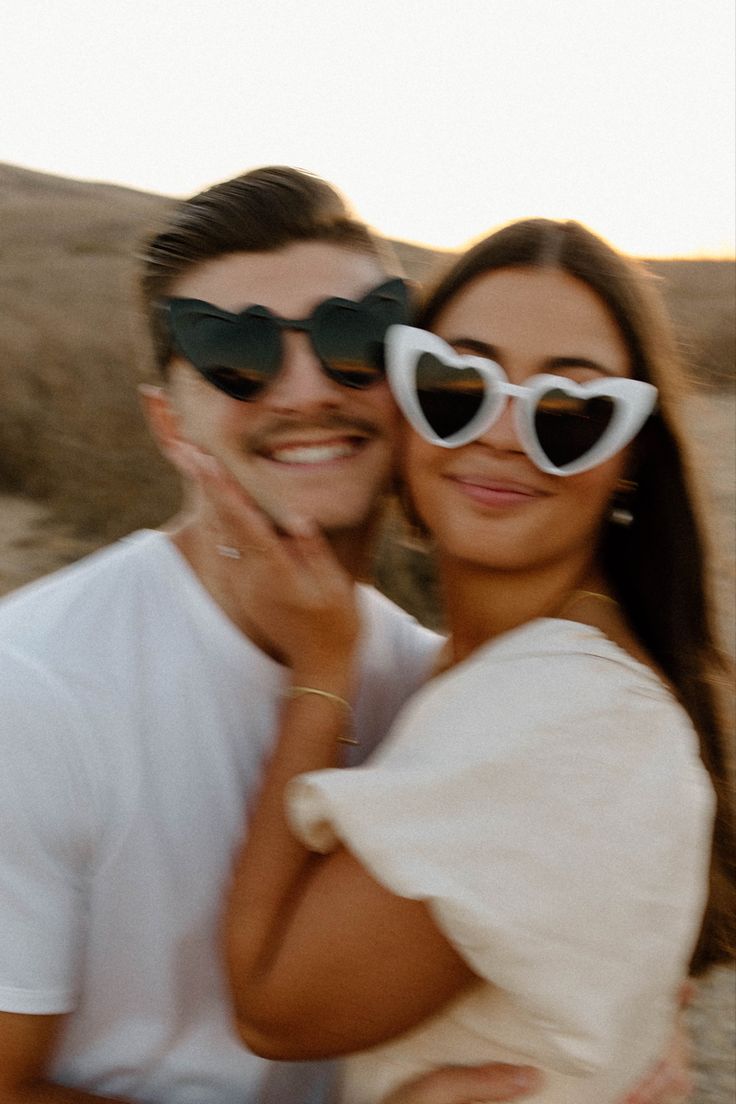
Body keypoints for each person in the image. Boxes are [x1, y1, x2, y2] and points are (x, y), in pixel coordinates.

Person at [0, 168, 692, 1104]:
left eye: (351, 338)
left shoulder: (435, 685)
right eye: (236, 355)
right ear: (169, 422)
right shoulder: (35, 690)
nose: (306, 388)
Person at [216, 216, 736, 1101]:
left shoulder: (571, 717)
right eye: (457, 383)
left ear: (628, 456)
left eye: (568, 411)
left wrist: (321, 670)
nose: (501, 433)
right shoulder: (497, 674)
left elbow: (272, 1004)